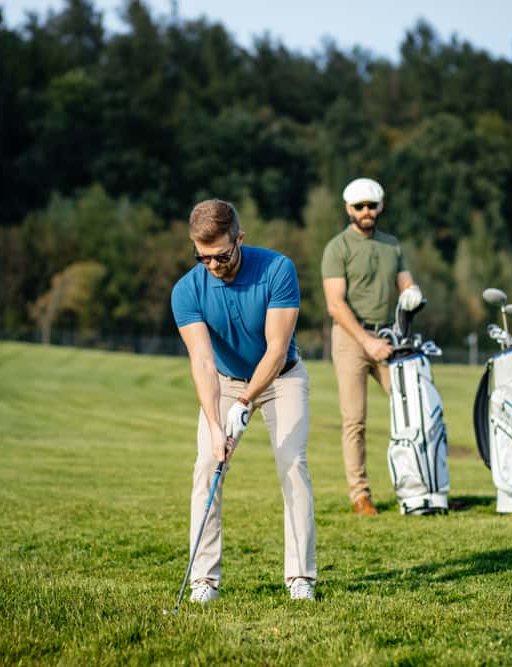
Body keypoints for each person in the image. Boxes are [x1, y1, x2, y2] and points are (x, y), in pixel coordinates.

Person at [170, 198, 316, 603]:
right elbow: (201, 361)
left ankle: (301, 578)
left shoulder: (277, 269)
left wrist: (246, 403)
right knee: (208, 465)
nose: (214, 266)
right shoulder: (187, 290)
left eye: (221, 255)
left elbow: (276, 348)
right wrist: (218, 427)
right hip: (224, 381)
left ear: (240, 238)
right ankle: (204, 581)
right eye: (203, 258)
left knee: (292, 463)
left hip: (281, 378)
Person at [321, 178, 424, 516]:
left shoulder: (392, 245)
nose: (366, 212)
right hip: (352, 340)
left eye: (372, 206)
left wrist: (412, 292)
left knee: (414, 411)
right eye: (360, 207)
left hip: (390, 339)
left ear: (380, 207)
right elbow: (335, 304)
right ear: (349, 209)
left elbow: (404, 281)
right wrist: (366, 340)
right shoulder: (338, 247)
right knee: (355, 421)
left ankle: (423, 487)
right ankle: (360, 495)